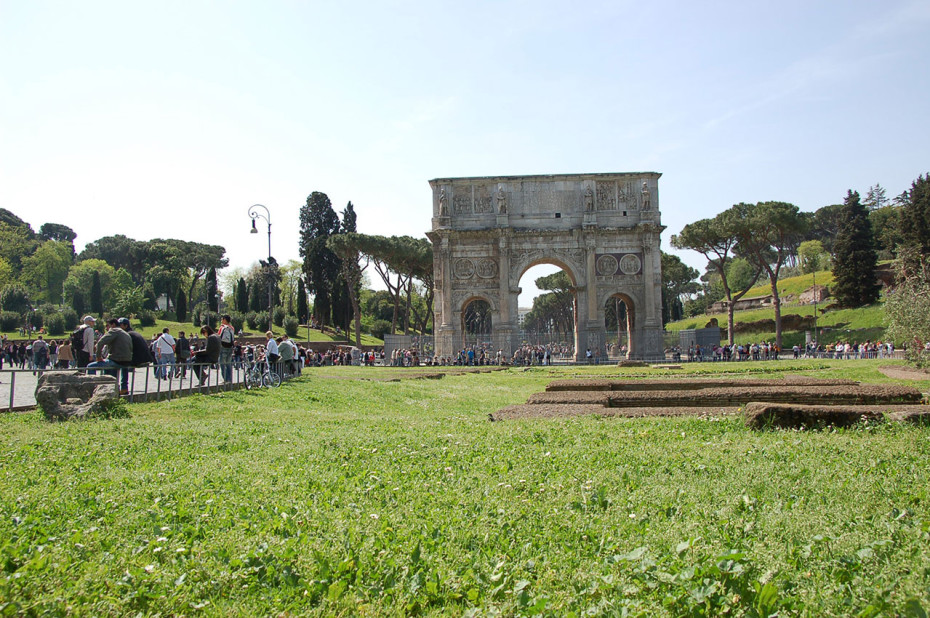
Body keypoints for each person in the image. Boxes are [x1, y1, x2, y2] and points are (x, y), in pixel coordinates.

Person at [87, 318, 133, 395]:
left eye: (108, 326)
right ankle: (119, 388)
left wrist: (98, 357)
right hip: (126, 361)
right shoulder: (125, 333)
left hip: (116, 360)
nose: (106, 328)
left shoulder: (114, 331)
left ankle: (92, 390)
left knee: (90, 366)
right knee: (110, 368)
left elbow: (100, 343)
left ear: (113, 325)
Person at [218, 315, 235, 382]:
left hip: (223, 347)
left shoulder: (222, 327)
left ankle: (225, 379)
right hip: (230, 347)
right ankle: (230, 379)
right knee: (228, 364)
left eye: (222, 319)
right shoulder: (232, 328)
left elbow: (219, 337)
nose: (221, 321)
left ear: (225, 320)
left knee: (222, 363)